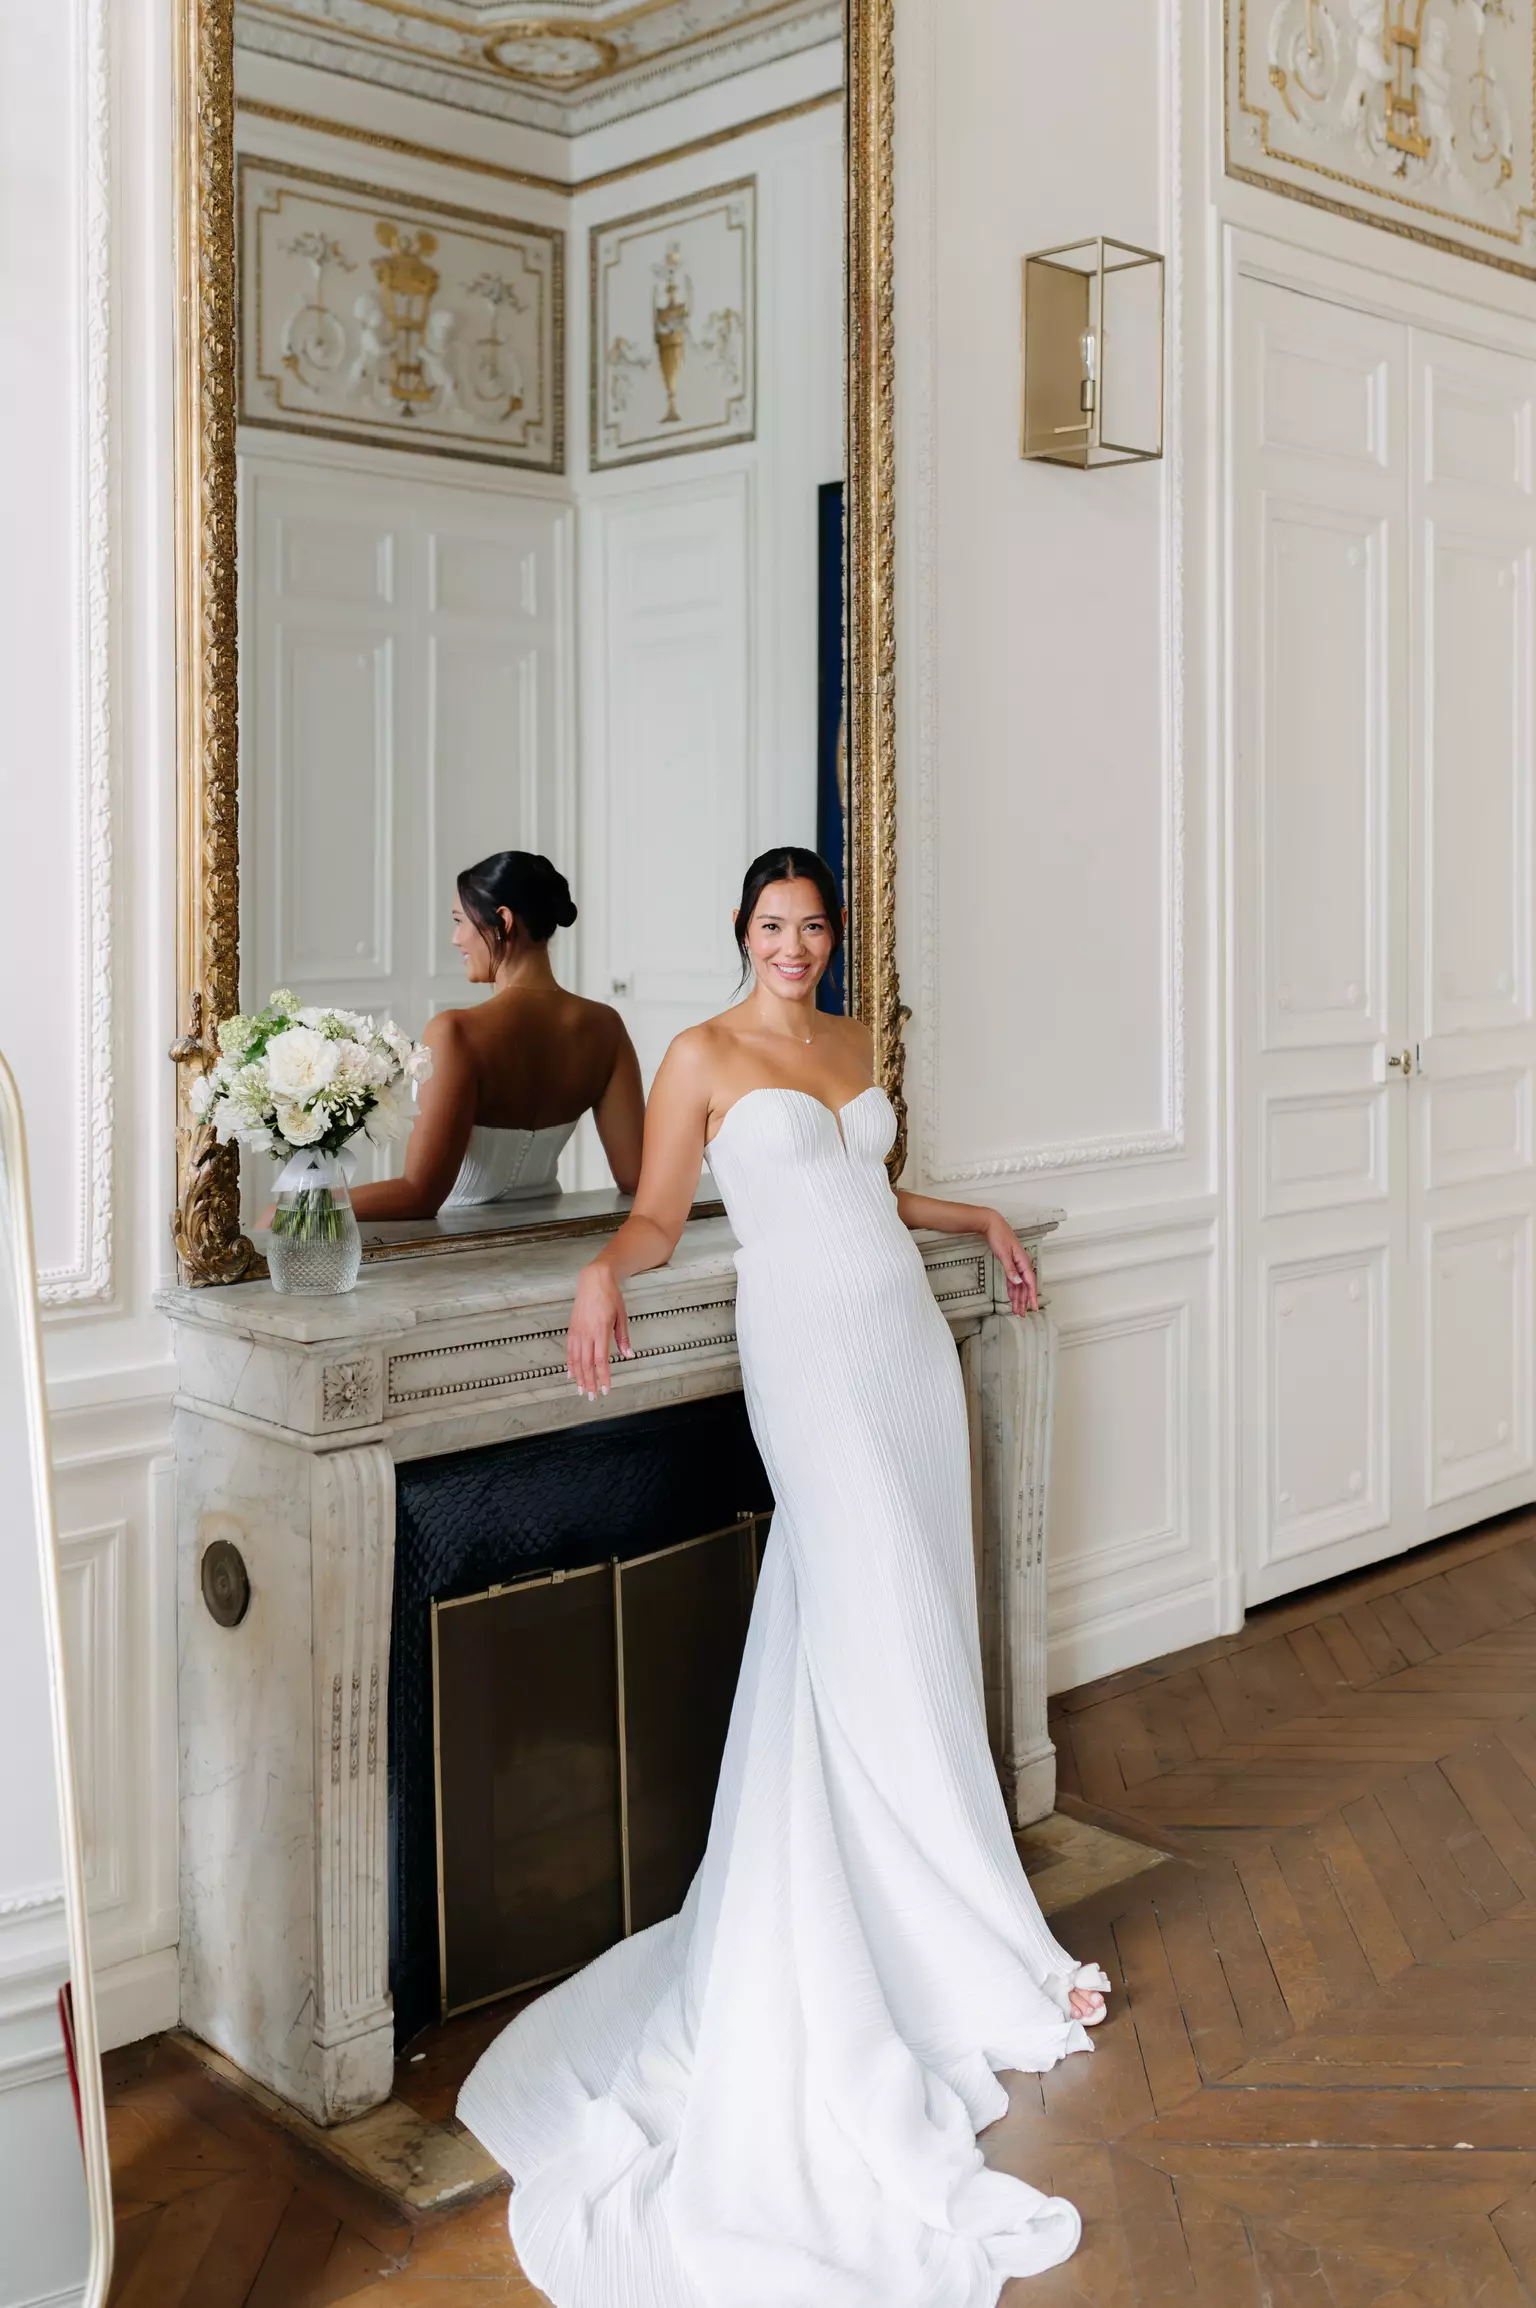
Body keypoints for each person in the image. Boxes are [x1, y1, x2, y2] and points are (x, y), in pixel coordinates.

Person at [457, 846, 1109, 2305]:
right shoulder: (698, 1054)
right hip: (809, 1359)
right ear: (742, 933)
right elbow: (657, 1212)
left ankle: (981, 1931)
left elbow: (875, 1188)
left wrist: (975, 1217)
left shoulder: (858, 1040)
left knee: (917, 1631)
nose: (795, 946)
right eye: (774, 926)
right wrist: (603, 1271)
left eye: (814, 926)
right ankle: (928, 1937)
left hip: (905, 1350)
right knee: (868, 1626)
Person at [346, 851, 643, 1222]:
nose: (456, 938)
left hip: (457, 1249)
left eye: (460, 921)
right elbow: (635, 1177)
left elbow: (419, 1195)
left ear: (503, 920)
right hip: (555, 1241)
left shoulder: (455, 1032)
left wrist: (300, 1208)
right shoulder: (605, 1026)